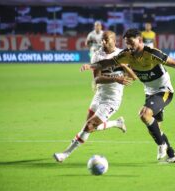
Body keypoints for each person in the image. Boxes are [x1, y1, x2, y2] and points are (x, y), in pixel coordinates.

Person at [81, 29, 175, 163]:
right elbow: (107, 63)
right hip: (149, 93)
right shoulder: (126, 54)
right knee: (156, 127)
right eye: (127, 43)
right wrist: (91, 65)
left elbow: (174, 63)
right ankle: (172, 154)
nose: (129, 46)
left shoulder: (152, 53)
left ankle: (161, 144)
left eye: (131, 42)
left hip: (164, 90)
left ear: (140, 40)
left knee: (144, 115)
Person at [54, 31, 137, 162]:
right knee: (91, 127)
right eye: (102, 40)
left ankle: (65, 154)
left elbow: (134, 77)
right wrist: (116, 78)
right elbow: (97, 79)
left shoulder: (123, 54)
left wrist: (124, 67)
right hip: (99, 95)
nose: (103, 42)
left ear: (114, 41)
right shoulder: (97, 55)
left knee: (89, 125)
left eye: (106, 40)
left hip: (112, 99)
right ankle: (117, 123)